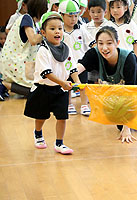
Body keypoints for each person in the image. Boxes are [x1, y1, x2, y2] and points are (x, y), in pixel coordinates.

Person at [24, 11, 80, 154]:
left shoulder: (66, 49)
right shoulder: (43, 50)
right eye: (52, 28)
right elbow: (46, 73)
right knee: (41, 116)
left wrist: (77, 82)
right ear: (43, 32)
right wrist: (63, 82)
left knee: (62, 117)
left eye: (60, 28)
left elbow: (72, 67)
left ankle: (59, 143)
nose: (57, 32)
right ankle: (38, 133)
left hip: (60, 90)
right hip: (43, 89)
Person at [77, 26, 137, 143]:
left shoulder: (129, 59)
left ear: (117, 43)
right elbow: (78, 68)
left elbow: (132, 93)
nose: (104, 48)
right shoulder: (94, 54)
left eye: (109, 43)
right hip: (120, 88)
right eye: (100, 43)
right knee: (119, 123)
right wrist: (61, 79)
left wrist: (127, 129)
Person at [0, 0, 47, 100]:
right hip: (15, 61)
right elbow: (33, 39)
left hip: (19, 61)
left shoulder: (33, 22)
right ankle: (3, 84)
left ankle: (4, 85)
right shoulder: (27, 18)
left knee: (38, 89)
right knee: (36, 91)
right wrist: (47, 34)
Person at [58, 0, 95, 115]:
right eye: (70, 16)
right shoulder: (60, 31)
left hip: (80, 64)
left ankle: (84, 104)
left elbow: (92, 42)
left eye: (75, 16)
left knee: (82, 84)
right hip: (64, 64)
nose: (73, 19)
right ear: (61, 15)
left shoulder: (81, 28)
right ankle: (69, 104)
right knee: (67, 85)